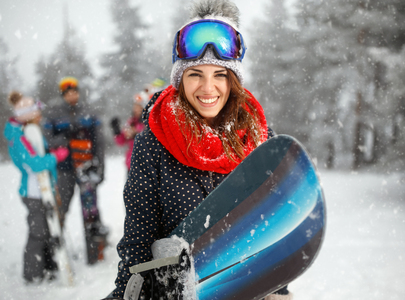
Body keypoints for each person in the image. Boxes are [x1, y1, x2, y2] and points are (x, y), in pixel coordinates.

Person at [107, 0, 291, 299]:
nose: (208, 88)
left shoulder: (258, 139)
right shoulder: (154, 140)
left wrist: (278, 291)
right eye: (195, 75)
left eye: (220, 75)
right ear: (180, 79)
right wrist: (125, 292)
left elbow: (272, 230)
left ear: (234, 82)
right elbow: (137, 241)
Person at [4, 91, 69, 284]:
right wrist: (56, 157)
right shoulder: (19, 136)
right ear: (28, 115)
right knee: (38, 232)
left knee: (48, 230)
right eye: (37, 112)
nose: (40, 116)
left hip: (44, 190)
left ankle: (49, 267)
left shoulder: (28, 131)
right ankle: (32, 274)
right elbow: (34, 164)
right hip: (33, 192)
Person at [43, 77, 108, 265]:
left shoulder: (89, 112)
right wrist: (61, 142)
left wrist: (100, 167)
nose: (72, 96)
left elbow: (99, 141)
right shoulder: (54, 114)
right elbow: (46, 139)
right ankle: (53, 254)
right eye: (67, 93)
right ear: (63, 95)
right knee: (60, 208)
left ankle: (95, 251)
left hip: (87, 168)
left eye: (74, 92)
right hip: (64, 170)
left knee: (90, 210)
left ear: (78, 92)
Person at [110, 99, 145, 171]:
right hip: (131, 162)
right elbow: (121, 142)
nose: (136, 109)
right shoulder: (131, 121)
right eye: (135, 106)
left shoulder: (149, 120)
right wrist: (117, 131)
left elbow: (146, 133)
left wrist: (135, 133)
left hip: (145, 161)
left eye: (138, 106)